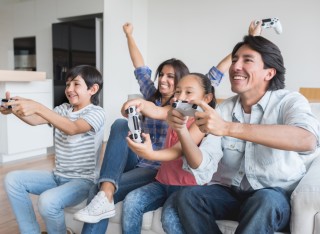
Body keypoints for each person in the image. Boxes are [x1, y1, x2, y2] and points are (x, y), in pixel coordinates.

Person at [74, 22, 228, 234]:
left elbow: (214, 75)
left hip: (156, 165)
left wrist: (239, 52)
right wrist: (129, 35)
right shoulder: (153, 95)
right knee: (120, 125)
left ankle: (106, 191)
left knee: (122, 196)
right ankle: (106, 192)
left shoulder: (194, 112)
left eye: (171, 77)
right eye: (162, 75)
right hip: (140, 157)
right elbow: (140, 70)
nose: (163, 80)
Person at [162, 29, 320, 233]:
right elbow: (203, 163)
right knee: (187, 197)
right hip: (231, 193)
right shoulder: (225, 109)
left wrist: (228, 128)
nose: (235, 66)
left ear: (269, 72)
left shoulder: (289, 101)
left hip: (272, 196)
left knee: (266, 200)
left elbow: (307, 139)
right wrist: (182, 130)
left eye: (247, 60)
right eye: (235, 60)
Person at [2, 65, 106, 234]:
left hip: (82, 181)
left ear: (93, 89)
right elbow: (36, 120)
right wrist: (14, 109)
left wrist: (37, 106)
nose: (69, 89)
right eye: (67, 85)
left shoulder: (96, 112)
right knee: (12, 179)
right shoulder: (63, 109)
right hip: (57, 176)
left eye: (76, 84)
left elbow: (72, 128)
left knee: (47, 201)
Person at [121, 72, 215, 233]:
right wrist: (138, 104)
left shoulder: (202, 123)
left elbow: (177, 151)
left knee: (170, 220)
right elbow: (156, 110)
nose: (181, 96)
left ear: (206, 98)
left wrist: (150, 154)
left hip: (187, 188)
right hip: (162, 182)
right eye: (178, 91)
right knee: (131, 201)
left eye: (189, 92)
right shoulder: (173, 113)